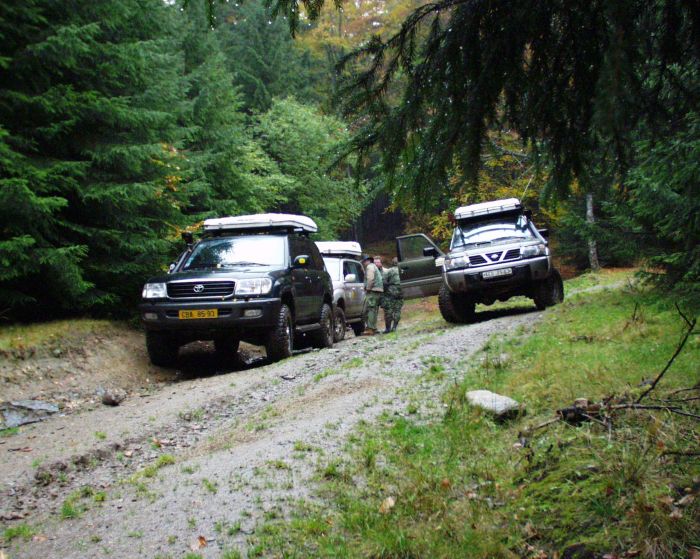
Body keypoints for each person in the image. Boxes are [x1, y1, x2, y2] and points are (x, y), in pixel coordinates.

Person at [361, 254, 383, 335]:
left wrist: (368, 288)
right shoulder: (374, 266)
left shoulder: (369, 267)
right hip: (377, 290)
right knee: (373, 310)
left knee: (369, 310)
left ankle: (370, 329)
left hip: (373, 291)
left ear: (367, 261)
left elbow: (370, 279)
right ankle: (373, 328)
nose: (363, 263)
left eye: (364, 261)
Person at [381, 256, 404, 333]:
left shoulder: (389, 271)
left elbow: (384, 282)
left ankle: (388, 328)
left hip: (390, 292)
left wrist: (384, 290)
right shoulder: (402, 270)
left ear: (392, 263)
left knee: (388, 310)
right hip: (401, 291)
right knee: (398, 310)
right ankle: (394, 327)